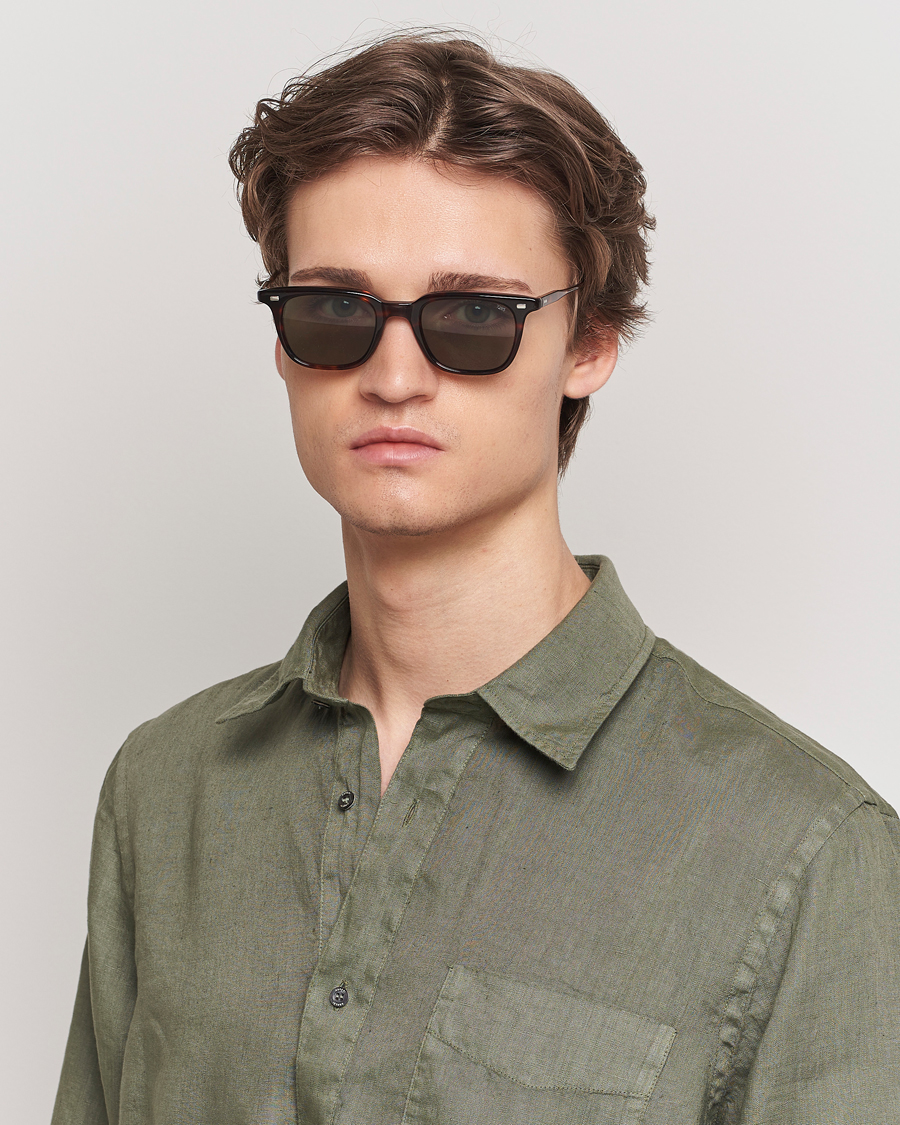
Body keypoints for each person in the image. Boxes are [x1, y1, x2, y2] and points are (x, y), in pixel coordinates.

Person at [52, 30, 899, 1125]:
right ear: (282, 340)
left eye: (472, 318)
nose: (394, 375)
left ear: (589, 342)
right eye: (335, 311)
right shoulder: (166, 788)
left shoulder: (808, 849)